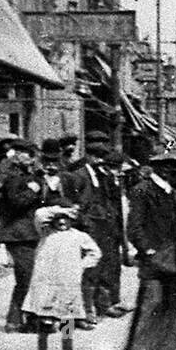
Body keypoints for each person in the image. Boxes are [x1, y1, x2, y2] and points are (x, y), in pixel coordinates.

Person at [121, 150, 176, 350]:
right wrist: (147, 250)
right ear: (158, 168)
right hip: (154, 258)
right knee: (152, 304)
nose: (172, 171)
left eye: (175, 167)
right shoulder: (143, 191)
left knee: (173, 305)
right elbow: (134, 226)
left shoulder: (174, 193)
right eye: (168, 166)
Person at [24, 205, 101, 350]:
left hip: (68, 286)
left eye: (66, 218)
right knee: (44, 326)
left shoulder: (79, 236)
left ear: (72, 220)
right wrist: (63, 209)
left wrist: (80, 267)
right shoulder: (46, 233)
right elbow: (39, 213)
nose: (61, 221)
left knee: (68, 326)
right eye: (58, 218)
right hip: (47, 286)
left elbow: (95, 253)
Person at [0, 140, 61, 334]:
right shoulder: (12, 177)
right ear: (16, 156)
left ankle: (24, 319)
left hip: (31, 233)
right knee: (27, 277)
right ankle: (18, 320)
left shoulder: (31, 177)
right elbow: (16, 202)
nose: (29, 158)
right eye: (24, 154)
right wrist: (33, 189)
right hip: (18, 234)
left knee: (32, 277)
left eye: (31, 155)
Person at [62, 141, 113, 329]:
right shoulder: (79, 176)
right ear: (89, 157)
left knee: (97, 269)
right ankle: (84, 312)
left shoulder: (100, 175)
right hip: (86, 227)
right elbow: (75, 203)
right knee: (85, 272)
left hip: (100, 227)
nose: (101, 161)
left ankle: (97, 307)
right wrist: (84, 222)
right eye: (98, 157)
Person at [95, 149, 128, 317]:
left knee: (115, 265)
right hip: (104, 229)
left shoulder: (114, 180)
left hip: (114, 228)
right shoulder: (102, 180)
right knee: (106, 266)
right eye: (117, 168)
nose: (119, 172)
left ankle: (115, 300)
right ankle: (104, 305)